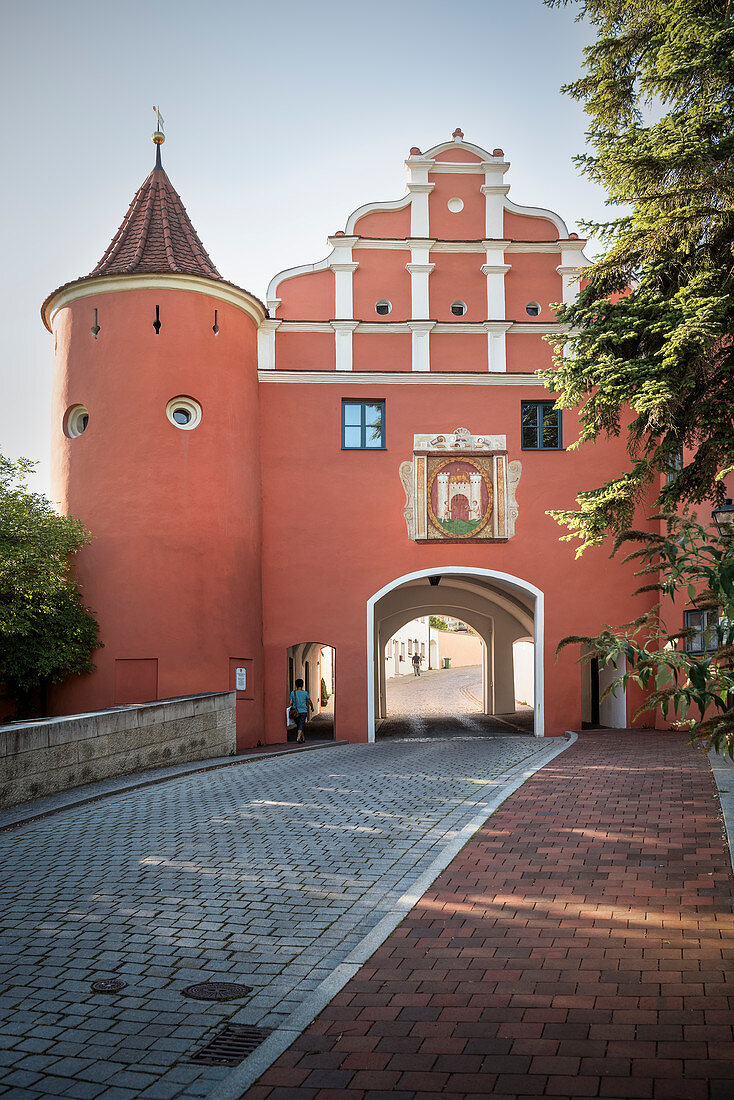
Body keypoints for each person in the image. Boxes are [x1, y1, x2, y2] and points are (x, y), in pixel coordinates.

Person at [288, 678, 314, 742]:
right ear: (302, 685)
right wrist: (312, 707)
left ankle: (303, 738)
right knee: (301, 724)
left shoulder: (292, 693)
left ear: (296, 685)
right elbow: (309, 701)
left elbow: (290, 703)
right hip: (303, 711)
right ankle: (298, 738)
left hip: (295, 712)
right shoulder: (305, 693)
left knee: (299, 725)